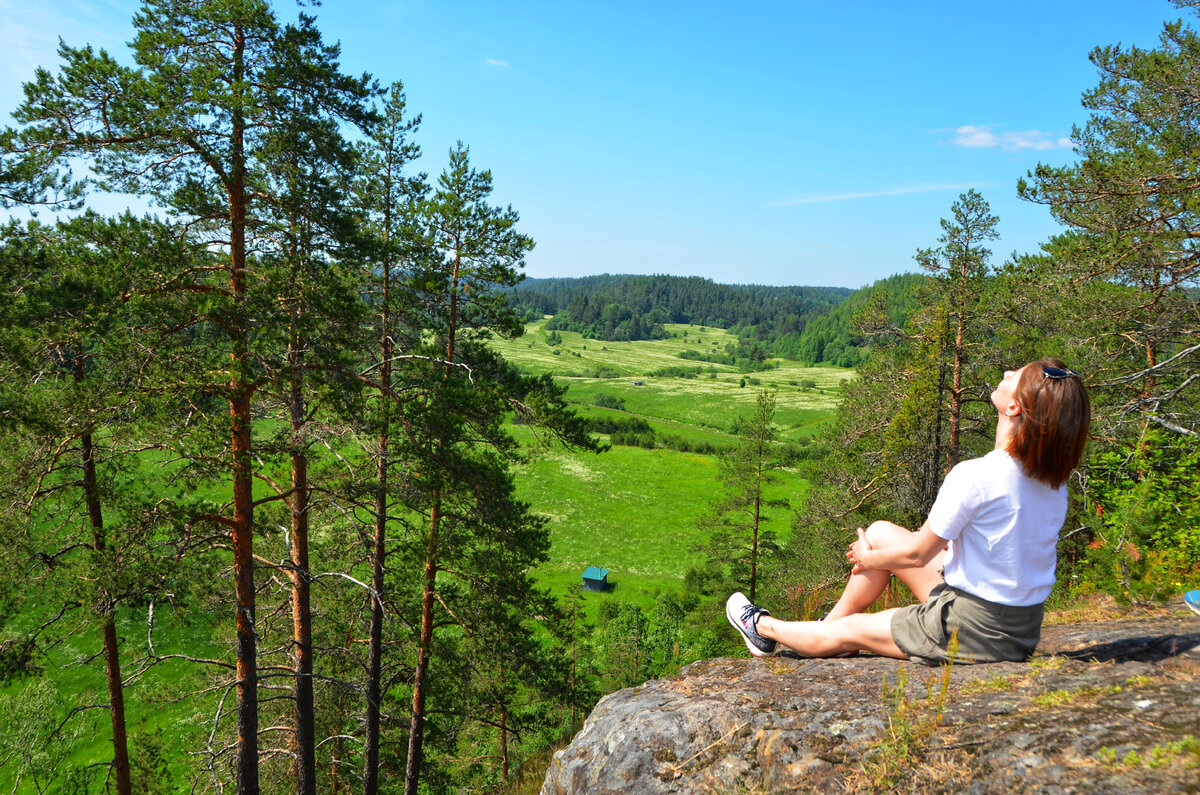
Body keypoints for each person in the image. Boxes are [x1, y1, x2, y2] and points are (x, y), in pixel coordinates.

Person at [727, 358, 1091, 665]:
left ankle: (763, 629)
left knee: (851, 628)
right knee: (880, 532)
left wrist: (866, 559)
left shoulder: (977, 475)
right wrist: (877, 550)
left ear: (1014, 408)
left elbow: (919, 554)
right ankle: (825, 630)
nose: (1007, 373)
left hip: (970, 628)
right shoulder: (1051, 481)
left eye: (1015, 377)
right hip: (1021, 627)